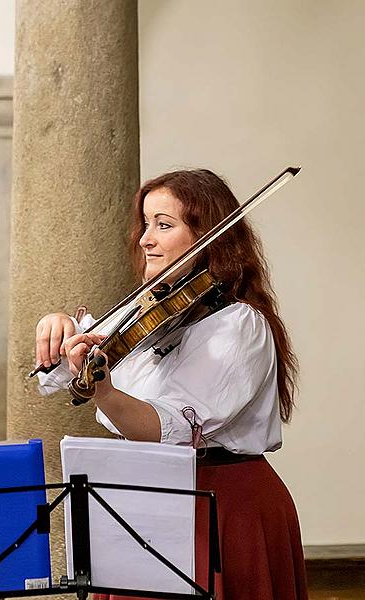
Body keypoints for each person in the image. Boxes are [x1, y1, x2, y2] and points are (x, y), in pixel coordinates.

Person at [35, 169, 308, 600]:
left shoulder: (238, 324)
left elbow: (169, 430)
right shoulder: (150, 317)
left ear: (208, 236)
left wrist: (104, 392)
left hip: (220, 500)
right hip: (147, 497)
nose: (145, 239)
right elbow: (52, 379)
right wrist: (59, 327)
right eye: (145, 224)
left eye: (164, 224)